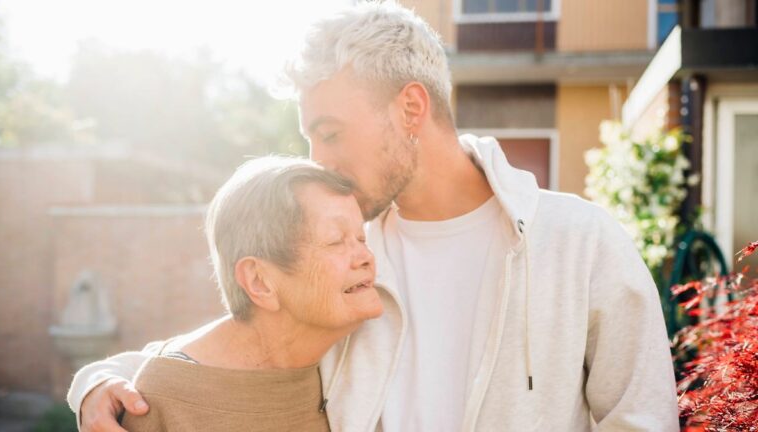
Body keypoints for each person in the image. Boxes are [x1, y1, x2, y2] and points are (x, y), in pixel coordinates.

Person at [68, 2, 679, 431]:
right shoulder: (346, 259)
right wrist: (99, 379)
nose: (318, 160)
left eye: (330, 132)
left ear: (411, 108)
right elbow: (237, 343)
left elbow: (643, 420)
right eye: (310, 139)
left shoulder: (578, 244)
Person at [117, 156, 383, 431]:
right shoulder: (163, 401)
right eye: (336, 240)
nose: (366, 257)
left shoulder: (361, 362)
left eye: (361, 238)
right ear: (260, 281)